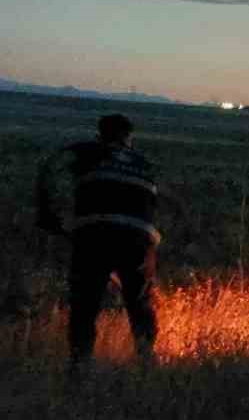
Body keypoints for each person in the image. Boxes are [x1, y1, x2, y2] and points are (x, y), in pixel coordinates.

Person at [35, 113, 174, 368]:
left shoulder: (86, 154)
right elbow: (155, 207)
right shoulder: (143, 163)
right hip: (137, 238)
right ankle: (146, 361)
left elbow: (49, 170)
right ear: (129, 138)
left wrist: (48, 215)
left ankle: (79, 365)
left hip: (93, 237)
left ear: (100, 134)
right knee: (139, 302)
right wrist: (150, 249)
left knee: (85, 305)